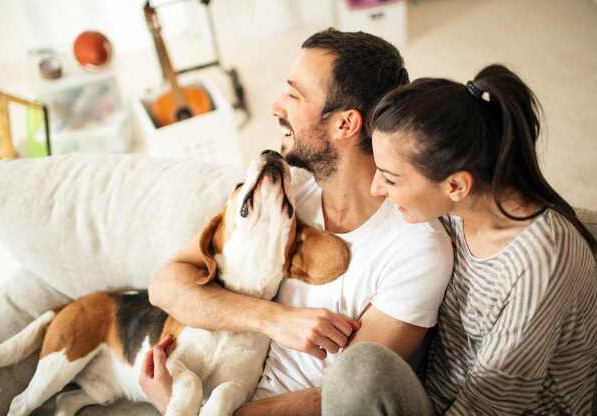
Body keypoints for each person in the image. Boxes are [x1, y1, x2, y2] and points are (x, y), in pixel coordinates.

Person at [141, 28, 453, 415]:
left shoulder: (417, 248)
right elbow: (165, 284)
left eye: (294, 94)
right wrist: (274, 319)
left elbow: (338, 400)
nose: (275, 106)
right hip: (217, 390)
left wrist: (181, 408)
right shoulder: (290, 190)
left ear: (345, 124)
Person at [328, 63, 596, 415]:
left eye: (390, 179)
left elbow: (490, 407)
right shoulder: (456, 208)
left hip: (489, 409)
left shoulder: (540, 261)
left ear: (456, 185)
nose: (377, 188)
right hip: (438, 384)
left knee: (359, 373)